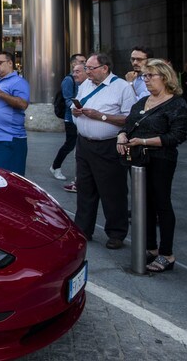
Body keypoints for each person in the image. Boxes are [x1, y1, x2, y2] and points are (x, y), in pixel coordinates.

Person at [117, 59, 187, 272]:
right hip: (138, 159)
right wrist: (121, 136)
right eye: (144, 76)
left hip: (161, 159)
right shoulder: (142, 101)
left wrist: (144, 142)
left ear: (165, 77)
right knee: (142, 203)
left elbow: (177, 136)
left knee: (161, 203)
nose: (145, 80)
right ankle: (150, 247)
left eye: (150, 76)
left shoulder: (176, 104)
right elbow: (128, 125)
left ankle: (167, 253)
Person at [72, 52, 137, 249]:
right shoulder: (85, 85)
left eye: (91, 68)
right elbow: (77, 103)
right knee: (85, 188)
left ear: (105, 68)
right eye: (86, 68)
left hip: (108, 145)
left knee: (112, 191)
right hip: (84, 144)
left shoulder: (122, 88)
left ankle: (116, 233)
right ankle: (83, 229)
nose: (87, 72)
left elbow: (129, 118)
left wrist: (101, 117)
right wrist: (75, 111)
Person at [0, 51, 30, 175]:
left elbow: (23, 104)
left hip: (7, 139)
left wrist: (0, 93)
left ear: (10, 63)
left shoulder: (18, 82)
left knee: (8, 180)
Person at [50, 55, 87, 180]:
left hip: (82, 117)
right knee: (70, 144)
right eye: (81, 61)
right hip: (71, 117)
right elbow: (67, 99)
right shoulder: (68, 80)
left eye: (84, 61)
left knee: (77, 145)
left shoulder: (86, 79)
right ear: (73, 64)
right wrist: (76, 108)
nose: (84, 63)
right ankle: (55, 166)